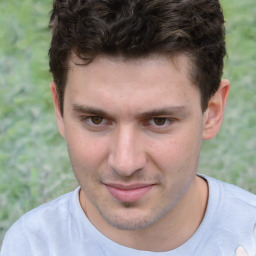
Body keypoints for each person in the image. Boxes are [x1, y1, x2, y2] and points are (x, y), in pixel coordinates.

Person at [1, 0, 256, 255]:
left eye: (159, 121)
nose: (125, 163)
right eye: (96, 119)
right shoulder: (31, 246)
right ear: (59, 109)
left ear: (212, 113)